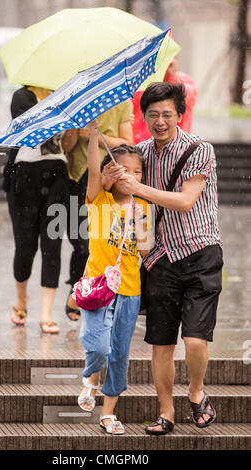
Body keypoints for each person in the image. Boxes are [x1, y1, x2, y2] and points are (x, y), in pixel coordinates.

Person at [103, 82, 223, 435]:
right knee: (162, 342)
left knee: (196, 339)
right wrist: (111, 176)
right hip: (160, 260)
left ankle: (197, 391)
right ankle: (166, 412)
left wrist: (137, 188)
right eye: (152, 114)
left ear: (179, 115)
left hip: (200, 252)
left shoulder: (200, 150)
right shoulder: (138, 154)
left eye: (166, 114)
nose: (159, 121)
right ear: (144, 116)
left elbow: (186, 201)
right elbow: (115, 199)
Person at [77, 119, 153, 435]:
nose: (131, 176)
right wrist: (94, 136)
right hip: (98, 286)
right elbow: (94, 172)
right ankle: (90, 376)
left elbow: (147, 251)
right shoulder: (99, 200)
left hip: (130, 289)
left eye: (137, 172)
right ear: (111, 172)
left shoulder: (145, 205)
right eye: (123, 169)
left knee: (120, 352)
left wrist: (139, 223)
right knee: (98, 347)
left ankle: (108, 413)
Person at [4, 85, 69, 334]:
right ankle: (21, 300)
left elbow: (68, 142)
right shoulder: (23, 96)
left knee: (52, 244)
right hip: (25, 176)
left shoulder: (64, 95)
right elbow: (28, 130)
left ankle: (46, 314)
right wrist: (60, 110)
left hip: (58, 176)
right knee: (25, 245)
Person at [61, 100, 133, 321]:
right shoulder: (77, 101)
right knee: (80, 242)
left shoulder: (122, 103)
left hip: (107, 178)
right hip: (75, 178)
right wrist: (77, 127)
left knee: (96, 241)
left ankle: (93, 290)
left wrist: (96, 135)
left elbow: (127, 143)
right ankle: (80, 289)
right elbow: (66, 147)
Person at [131, 57, 197, 144]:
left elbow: (185, 102)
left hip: (176, 147)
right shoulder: (140, 82)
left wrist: (171, 77)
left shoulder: (184, 81)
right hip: (141, 146)